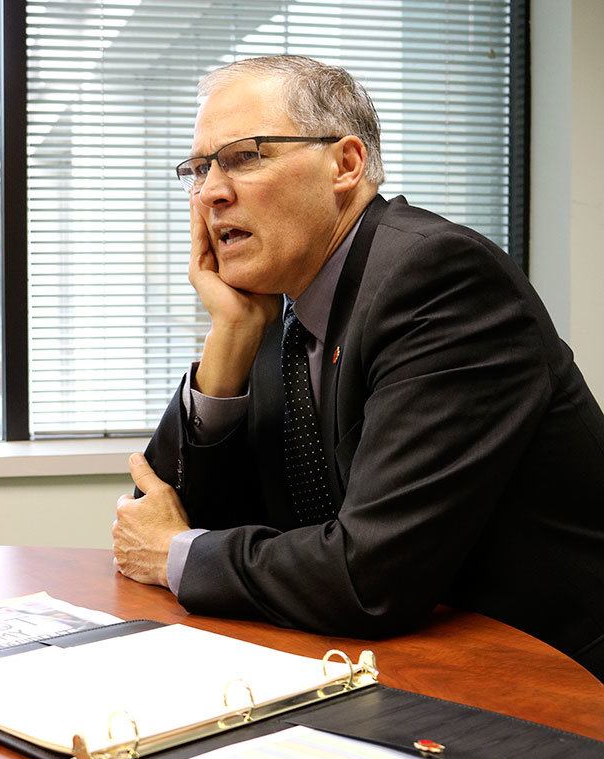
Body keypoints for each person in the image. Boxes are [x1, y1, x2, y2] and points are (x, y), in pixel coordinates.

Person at [112, 55, 604, 680]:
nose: (210, 191)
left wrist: (175, 551)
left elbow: (369, 574)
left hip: (552, 683)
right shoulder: (274, 306)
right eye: (198, 168)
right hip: (396, 666)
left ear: (344, 164)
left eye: (244, 157)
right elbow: (152, 518)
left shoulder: (437, 278)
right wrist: (231, 337)